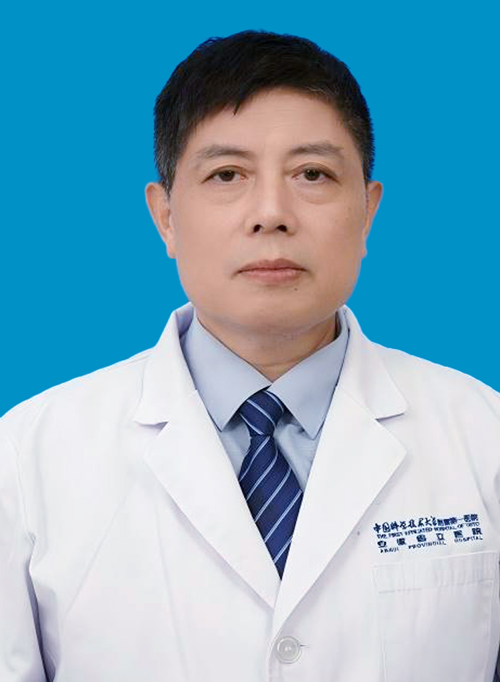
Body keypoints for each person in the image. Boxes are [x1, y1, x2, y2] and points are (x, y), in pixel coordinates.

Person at [1, 28, 499, 682]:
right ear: (166, 217)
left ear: (368, 212)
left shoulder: (483, 436)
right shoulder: (27, 457)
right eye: (227, 175)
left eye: (313, 174)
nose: (271, 213)